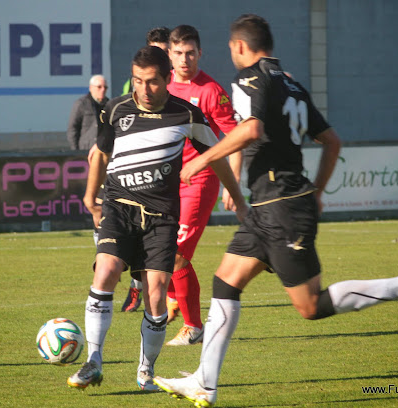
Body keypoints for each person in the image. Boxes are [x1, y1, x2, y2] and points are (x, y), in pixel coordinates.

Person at [154, 14, 398, 407]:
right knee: (225, 281)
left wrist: (200, 162)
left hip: (281, 207)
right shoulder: (291, 84)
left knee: (311, 306)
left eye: (230, 47)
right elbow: (331, 141)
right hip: (270, 205)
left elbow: (251, 129)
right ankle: (204, 382)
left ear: (240, 47)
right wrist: (319, 191)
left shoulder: (248, 80)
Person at [67, 46, 248, 392]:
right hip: (119, 205)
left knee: (157, 291)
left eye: (152, 82)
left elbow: (217, 157)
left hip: (162, 216)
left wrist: (238, 199)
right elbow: (102, 153)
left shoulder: (188, 114)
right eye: (138, 81)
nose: (144, 90)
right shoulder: (116, 108)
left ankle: (145, 371)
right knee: (105, 271)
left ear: (167, 79)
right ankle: (94, 360)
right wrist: (92, 198)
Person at [163, 25, 240, 346]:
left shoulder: (210, 90)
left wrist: (230, 183)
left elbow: (235, 135)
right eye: (178, 53)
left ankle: (193, 326)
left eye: (190, 53)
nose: (185, 60)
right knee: (158, 249)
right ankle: (172, 296)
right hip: (165, 182)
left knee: (178, 254)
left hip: (200, 181)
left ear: (200, 53)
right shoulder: (160, 85)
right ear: (169, 54)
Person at [119, 26, 171, 313]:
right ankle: (139, 287)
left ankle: (162, 297)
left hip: (170, 179)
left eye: (164, 52)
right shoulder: (135, 88)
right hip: (136, 174)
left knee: (173, 253)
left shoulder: (176, 94)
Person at [121, 27, 170, 95]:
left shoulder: (184, 77)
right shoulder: (135, 80)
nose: (160, 57)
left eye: (165, 52)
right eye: (155, 52)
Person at [67, 75, 109, 150]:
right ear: (91, 88)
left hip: (104, 150)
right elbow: (73, 129)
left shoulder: (109, 105)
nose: (103, 90)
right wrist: (75, 151)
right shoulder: (81, 104)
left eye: (105, 87)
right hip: (86, 150)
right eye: (99, 87)